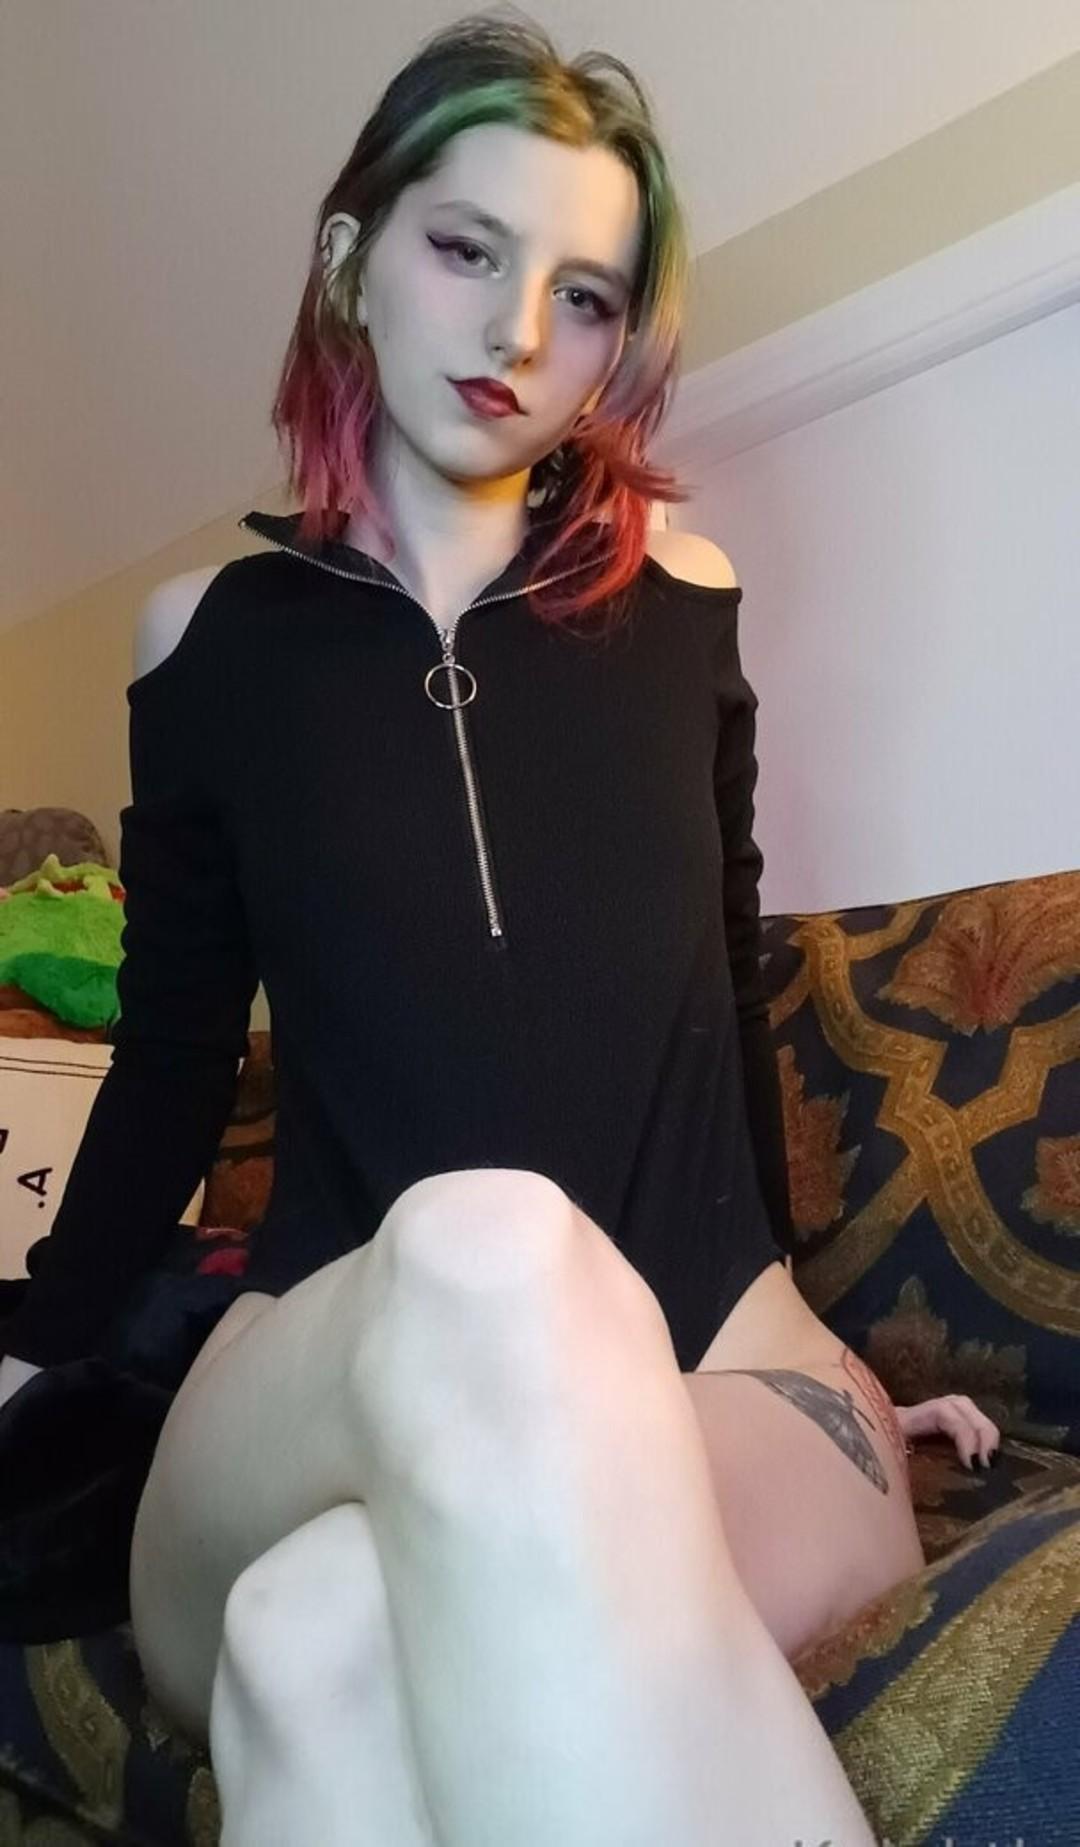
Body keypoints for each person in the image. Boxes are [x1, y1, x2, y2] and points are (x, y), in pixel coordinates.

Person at [0, 13, 1000, 1844]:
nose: (520, 332)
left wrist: (825, 1331)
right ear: (351, 253)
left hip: (722, 1368)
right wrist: (32, 1345)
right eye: (467, 248)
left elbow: (724, 989)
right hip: (318, 1367)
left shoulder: (686, 604)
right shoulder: (205, 645)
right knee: (483, 1247)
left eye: (586, 296)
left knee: (317, 1642)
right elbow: (171, 1061)